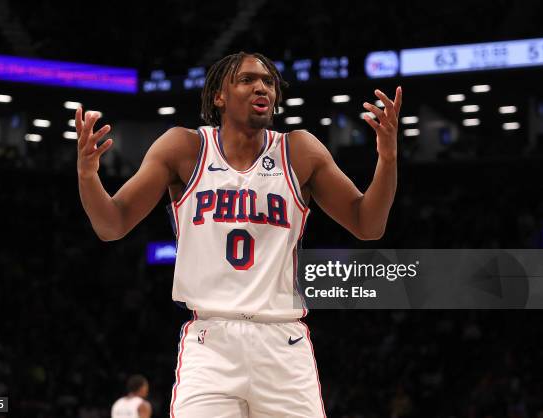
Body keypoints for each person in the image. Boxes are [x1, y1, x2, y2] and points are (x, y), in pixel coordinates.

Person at [77, 51, 401, 417]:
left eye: (268, 82)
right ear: (219, 95)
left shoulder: (299, 151)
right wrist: (88, 177)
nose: (261, 87)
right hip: (211, 342)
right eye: (247, 80)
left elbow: (368, 225)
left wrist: (387, 160)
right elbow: (111, 224)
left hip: (282, 341)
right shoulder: (184, 149)